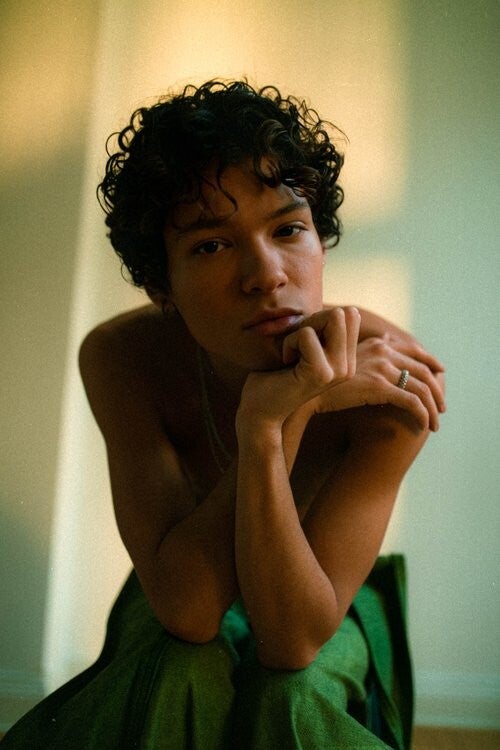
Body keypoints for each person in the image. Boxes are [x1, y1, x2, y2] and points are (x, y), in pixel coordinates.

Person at [3, 80, 445, 749]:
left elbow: (292, 641)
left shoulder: (388, 380)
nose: (266, 274)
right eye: (211, 245)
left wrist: (281, 418)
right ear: (160, 286)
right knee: (173, 665)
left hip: (326, 594)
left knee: (294, 695)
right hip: (178, 579)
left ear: (321, 241)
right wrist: (267, 426)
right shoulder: (122, 356)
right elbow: (189, 609)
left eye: (288, 229)